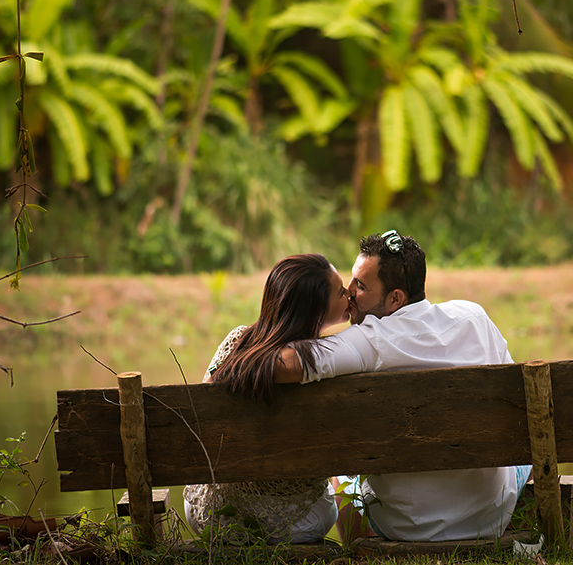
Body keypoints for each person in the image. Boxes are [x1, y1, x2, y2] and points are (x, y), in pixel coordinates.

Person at [275, 230, 529, 543]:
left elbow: (286, 364)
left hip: (404, 526)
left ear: (396, 298)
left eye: (361, 286)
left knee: (342, 475)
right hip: (490, 517)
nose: (349, 293)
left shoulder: (371, 340)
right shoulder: (474, 317)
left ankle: (359, 551)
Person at [183, 253, 352, 544]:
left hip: (213, 515)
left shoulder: (237, 342)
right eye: (341, 292)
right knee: (343, 483)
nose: (349, 293)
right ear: (316, 310)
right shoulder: (326, 359)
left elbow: (203, 414)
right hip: (296, 523)